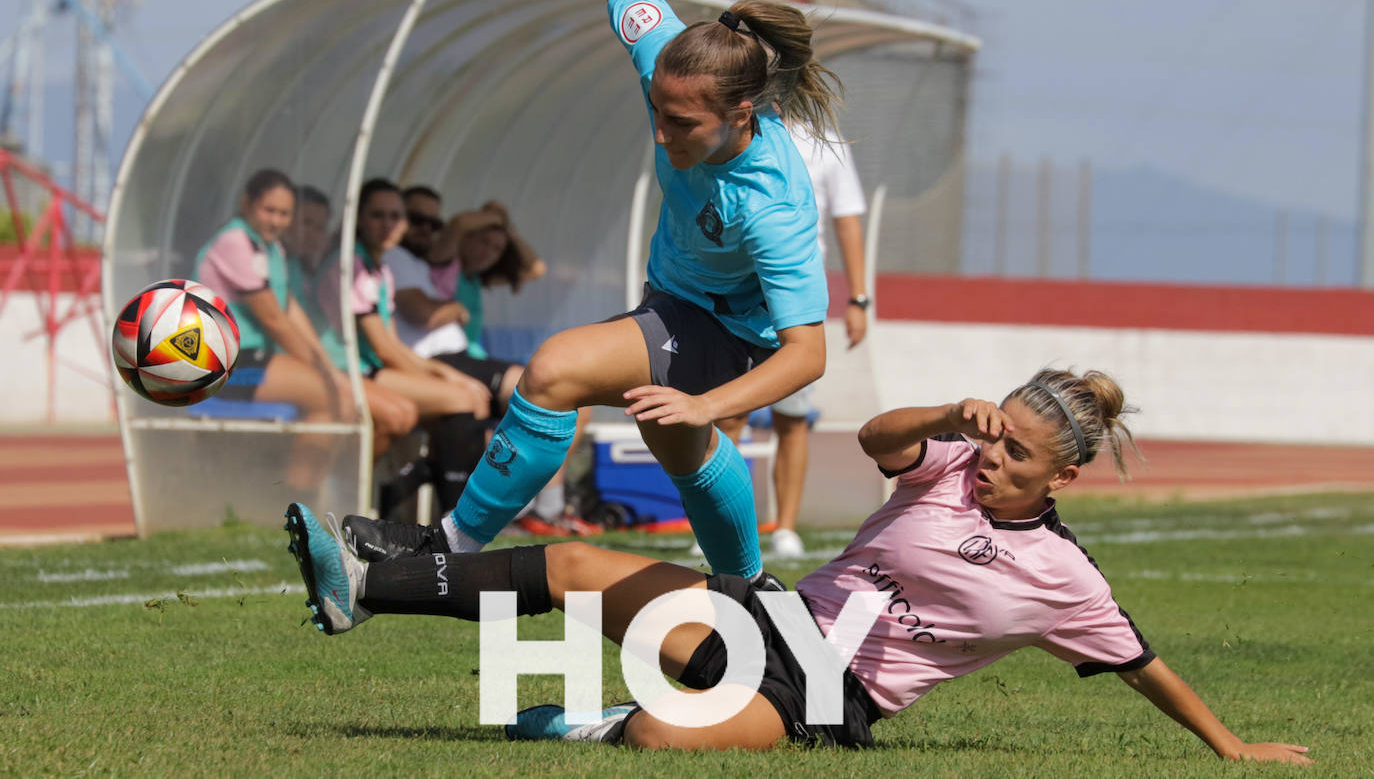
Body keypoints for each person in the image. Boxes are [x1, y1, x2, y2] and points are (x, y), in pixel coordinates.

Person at [283, 366, 1312, 762]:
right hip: (775, 618)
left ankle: (588, 719)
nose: (993, 458)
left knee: (653, 735)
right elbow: (875, 439)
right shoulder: (950, 460)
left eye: (1017, 456)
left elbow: (1143, 664)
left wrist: (1232, 748)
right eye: (996, 437)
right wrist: (951, 412)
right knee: (579, 564)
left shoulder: (1065, 580)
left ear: (1064, 478)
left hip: (834, 690)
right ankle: (368, 583)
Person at [341, 0, 840, 587]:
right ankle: (750, 593)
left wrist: (706, 401)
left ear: (743, 114)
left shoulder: (770, 205)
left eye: (683, 124)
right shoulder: (672, 57)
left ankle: (447, 543)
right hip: (675, 299)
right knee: (679, 448)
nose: (662, 135)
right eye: (657, 112)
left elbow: (808, 353)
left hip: (733, 335)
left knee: (554, 371)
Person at [387, 186, 594, 533]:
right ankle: (522, 508)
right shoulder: (426, 260)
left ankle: (546, 507)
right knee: (548, 396)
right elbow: (456, 228)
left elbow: (535, 267)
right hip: (443, 361)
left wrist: (504, 227)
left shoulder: (459, 270)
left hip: (465, 359)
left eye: (432, 222)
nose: (427, 228)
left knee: (573, 404)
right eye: (416, 219)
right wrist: (489, 218)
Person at [718, 123, 870, 558]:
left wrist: (858, 298)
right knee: (728, 415)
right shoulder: (736, 127)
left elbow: (847, 219)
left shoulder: (830, 141)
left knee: (791, 417)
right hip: (738, 292)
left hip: (797, 296)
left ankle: (785, 528)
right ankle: (720, 524)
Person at [315, 178, 492, 516]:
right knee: (461, 400)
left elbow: (393, 345)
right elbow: (385, 350)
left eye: (396, 216)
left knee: (468, 396)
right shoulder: (349, 264)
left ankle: (434, 497)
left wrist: (446, 373)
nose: (388, 224)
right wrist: (451, 380)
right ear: (359, 219)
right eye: (378, 215)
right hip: (342, 370)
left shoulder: (379, 268)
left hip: (367, 369)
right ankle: (449, 511)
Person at [195, 169, 363, 492]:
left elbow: (290, 310)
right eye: (268, 210)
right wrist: (327, 372)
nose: (276, 221)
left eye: (284, 214)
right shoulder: (235, 241)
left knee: (342, 397)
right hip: (225, 367)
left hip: (250, 358)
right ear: (247, 204)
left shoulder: (271, 248)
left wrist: (328, 365)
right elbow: (274, 319)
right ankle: (295, 500)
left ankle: (305, 494)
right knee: (336, 398)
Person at [281, 184, 420, 461]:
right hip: (324, 366)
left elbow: (390, 343)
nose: (311, 233)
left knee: (405, 414)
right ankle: (337, 488)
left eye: (319, 227)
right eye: (304, 223)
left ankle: (352, 489)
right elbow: (384, 348)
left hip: (335, 366)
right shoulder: (341, 265)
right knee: (396, 414)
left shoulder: (303, 268)